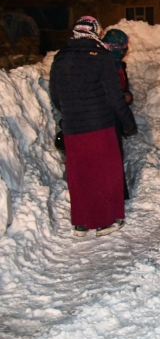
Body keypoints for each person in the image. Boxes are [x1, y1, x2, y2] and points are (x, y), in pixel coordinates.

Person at [50, 16, 137, 237]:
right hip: (100, 126)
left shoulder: (60, 58)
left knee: (80, 174)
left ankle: (81, 222)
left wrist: (72, 112)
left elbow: (55, 96)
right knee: (105, 173)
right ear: (96, 33)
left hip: (72, 127)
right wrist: (128, 123)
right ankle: (105, 221)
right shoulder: (101, 57)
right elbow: (115, 97)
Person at [101, 28, 134, 200]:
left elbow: (121, 88)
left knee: (115, 157)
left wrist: (127, 95)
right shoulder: (100, 65)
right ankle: (112, 196)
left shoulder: (118, 66)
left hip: (115, 117)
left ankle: (120, 194)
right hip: (104, 118)